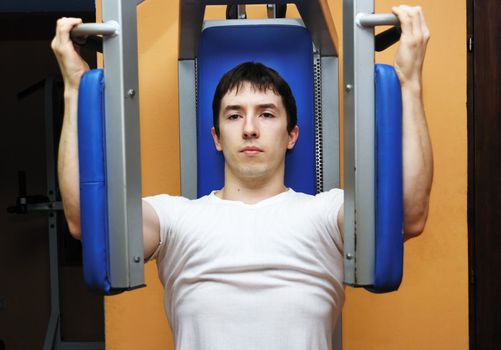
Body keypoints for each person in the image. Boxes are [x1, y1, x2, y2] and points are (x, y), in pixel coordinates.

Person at [51, 5, 432, 350]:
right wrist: (74, 89)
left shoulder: (327, 214)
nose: (250, 128)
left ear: (292, 134)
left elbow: (409, 214)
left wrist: (409, 83)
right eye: (234, 115)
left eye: (267, 114)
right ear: (216, 138)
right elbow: (87, 222)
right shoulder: (176, 219)